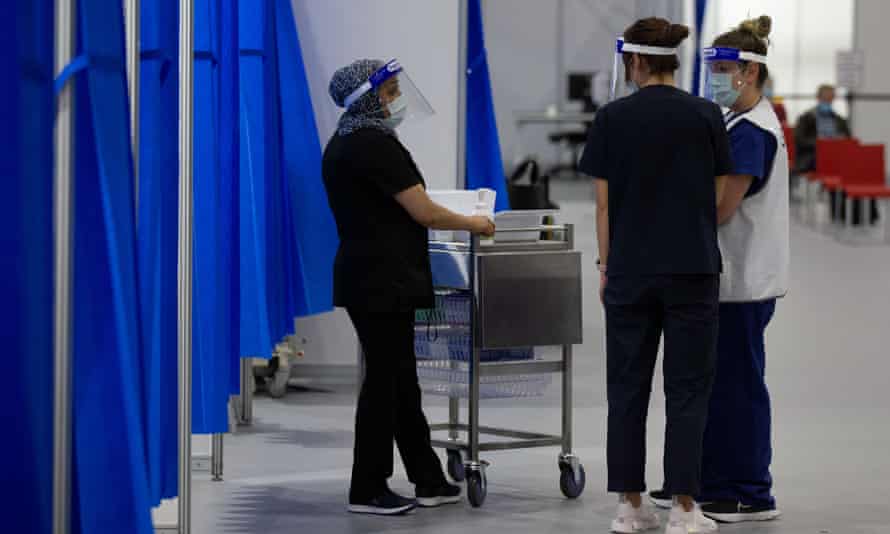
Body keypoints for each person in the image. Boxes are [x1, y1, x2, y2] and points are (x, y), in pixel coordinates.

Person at [321, 59, 495, 516]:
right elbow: (424, 211)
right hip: (381, 279)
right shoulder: (373, 146)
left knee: (398, 380)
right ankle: (367, 487)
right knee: (385, 383)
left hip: (373, 275)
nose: (396, 100)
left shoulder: (345, 143)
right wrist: (476, 222)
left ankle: (428, 479)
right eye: (390, 90)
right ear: (368, 97)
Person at [580, 17, 731, 534]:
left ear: (636, 61)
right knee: (688, 389)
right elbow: (714, 197)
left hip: (629, 270)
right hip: (692, 267)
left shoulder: (611, 118)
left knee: (627, 388)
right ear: (673, 60)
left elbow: (602, 207)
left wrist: (606, 266)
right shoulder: (707, 115)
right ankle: (686, 508)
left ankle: (630, 505)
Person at [650, 15, 790, 524]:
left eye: (721, 68)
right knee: (710, 383)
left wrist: (661, 204)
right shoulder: (734, 120)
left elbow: (721, 208)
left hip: (743, 282)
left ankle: (747, 491)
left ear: (748, 73)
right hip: (721, 278)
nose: (711, 77)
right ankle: (701, 477)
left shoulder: (753, 132)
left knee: (737, 386)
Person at [794, 84, 851, 173]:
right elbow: (799, 140)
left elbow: (848, 139)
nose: (827, 101)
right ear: (818, 98)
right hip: (813, 155)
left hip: (836, 155)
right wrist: (819, 143)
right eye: (825, 99)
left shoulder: (840, 120)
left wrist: (840, 140)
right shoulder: (806, 118)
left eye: (830, 99)